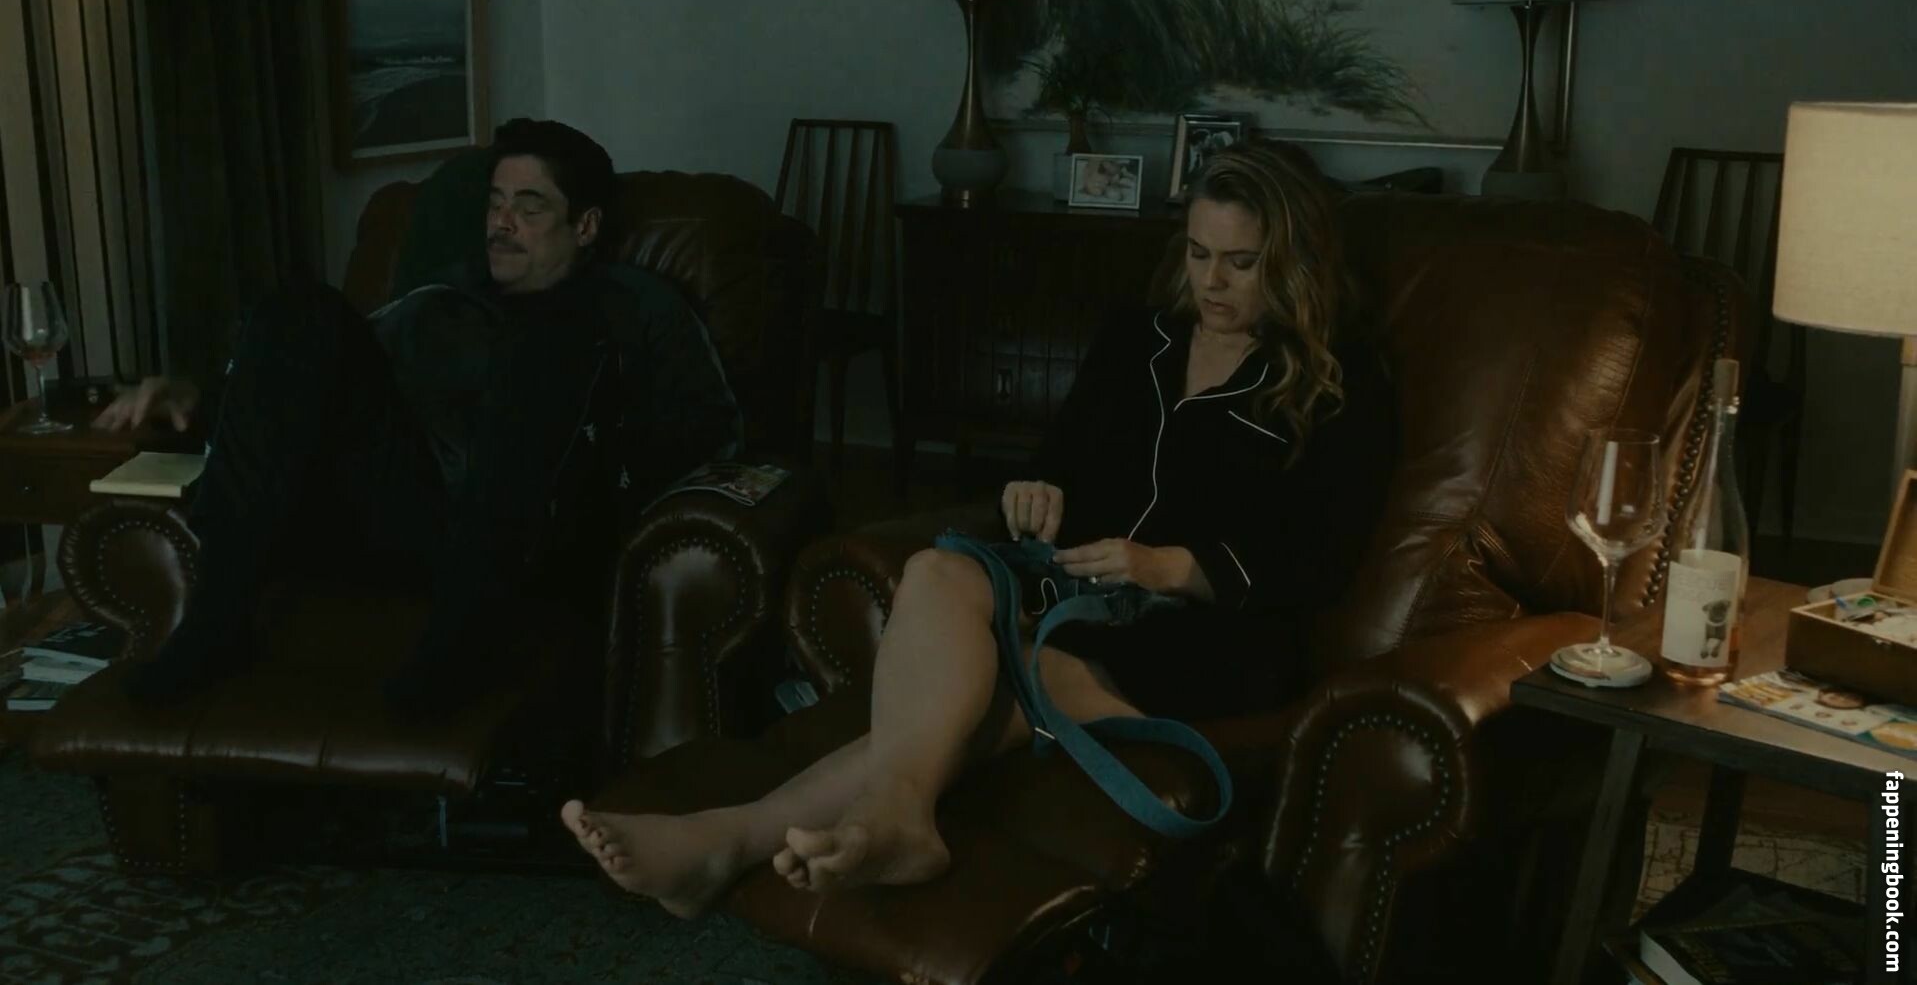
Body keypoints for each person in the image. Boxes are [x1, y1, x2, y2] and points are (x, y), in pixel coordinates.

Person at [559, 141, 1396, 916]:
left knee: (993, 693)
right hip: (1077, 588)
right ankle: (891, 818)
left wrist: (1167, 565)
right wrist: (1034, 490)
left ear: (1292, 260)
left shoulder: (1338, 380)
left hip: (1209, 634)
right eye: (1198, 253)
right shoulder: (1138, 336)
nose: (1212, 281)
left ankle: (730, 838)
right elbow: (1058, 458)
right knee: (938, 572)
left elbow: (1318, 558)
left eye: (1242, 263)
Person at [95, 118, 742, 717]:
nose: (502, 223)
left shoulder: (637, 307)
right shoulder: (441, 297)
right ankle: (216, 618)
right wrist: (200, 402)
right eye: (495, 203)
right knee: (299, 308)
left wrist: (616, 477)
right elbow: (318, 386)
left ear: (586, 226)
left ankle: (460, 644)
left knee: (545, 341)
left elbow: (710, 432)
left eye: (529, 207)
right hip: (415, 508)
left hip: (531, 536)